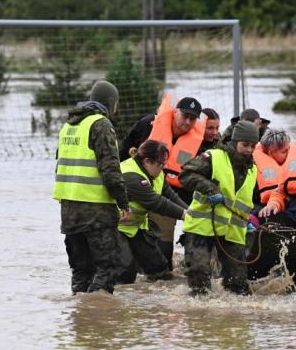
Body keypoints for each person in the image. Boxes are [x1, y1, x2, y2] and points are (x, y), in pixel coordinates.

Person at [53, 80, 130, 295]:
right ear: (111, 102)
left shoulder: (68, 126)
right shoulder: (101, 124)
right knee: (110, 266)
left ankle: (80, 318)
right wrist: (123, 203)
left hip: (69, 211)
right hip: (96, 212)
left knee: (81, 270)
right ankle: (96, 316)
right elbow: (110, 170)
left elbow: (59, 166)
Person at [119, 94, 205, 271]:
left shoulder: (198, 142)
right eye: (185, 116)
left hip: (168, 197)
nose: (188, 122)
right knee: (127, 267)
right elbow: (123, 150)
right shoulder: (148, 124)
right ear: (175, 113)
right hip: (135, 195)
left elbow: (170, 192)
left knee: (161, 259)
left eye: (192, 119)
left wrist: (189, 210)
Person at [178, 121, 260, 295]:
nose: (249, 150)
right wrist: (210, 189)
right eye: (245, 145)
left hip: (233, 231)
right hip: (201, 227)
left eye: (253, 146)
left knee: (238, 286)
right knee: (199, 277)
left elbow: (249, 200)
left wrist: (251, 219)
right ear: (234, 141)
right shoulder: (214, 157)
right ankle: (201, 318)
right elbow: (186, 174)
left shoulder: (253, 170)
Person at [116, 140, 188, 284]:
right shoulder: (130, 175)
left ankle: (153, 299)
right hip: (116, 228)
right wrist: (184, 215)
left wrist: (188, 210)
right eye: (160, 164)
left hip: (136, 228)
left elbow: (169, 194)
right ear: (147, 161)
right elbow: (156, 202)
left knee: (159, 269)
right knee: (126, 272)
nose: (162, 168)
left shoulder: (157, 173)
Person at [252, 129, 291, 205]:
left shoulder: (291, 163)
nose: (289, 154)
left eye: (289, 150)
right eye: (284, 152)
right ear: (270, 153)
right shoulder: (255, 170)